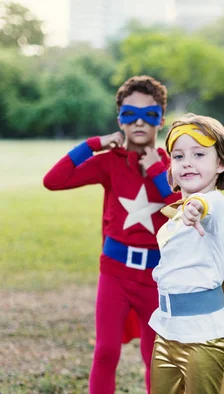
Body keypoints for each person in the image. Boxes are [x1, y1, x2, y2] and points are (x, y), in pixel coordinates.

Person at [43, 76, 179, 393]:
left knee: (155, 356)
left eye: (150, 114)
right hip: (115, 272)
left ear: (161, 118)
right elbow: (54, 180)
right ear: (120, 119)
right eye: (131, 114)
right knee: (106, 351)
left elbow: (182, 208)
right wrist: (94, 145)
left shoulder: (170, 165)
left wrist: (157, 171)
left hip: (156, 275)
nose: (140, 123)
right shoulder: (110, 163)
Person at [150, 114, 224, 394]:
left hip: (202, 337)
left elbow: (205, 206)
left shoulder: (213, 204)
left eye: (199, 154)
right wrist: (187, 210)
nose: (187, 162)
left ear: (220, 164)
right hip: (167, 331)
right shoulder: (178, 214)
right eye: (178, 156)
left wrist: (197, 207)